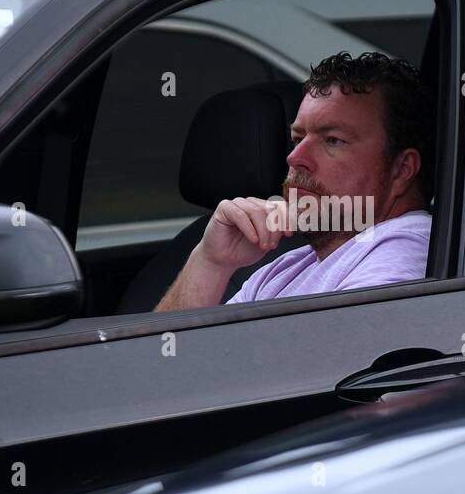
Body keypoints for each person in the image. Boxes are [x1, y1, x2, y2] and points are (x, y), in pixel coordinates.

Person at [155, 51, 435, 310]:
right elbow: (161, 359)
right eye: (297, 139)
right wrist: (211, 262)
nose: (295, 158)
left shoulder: (405, 250)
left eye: (333, 140)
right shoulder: (287, 268)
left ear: (402, 169)